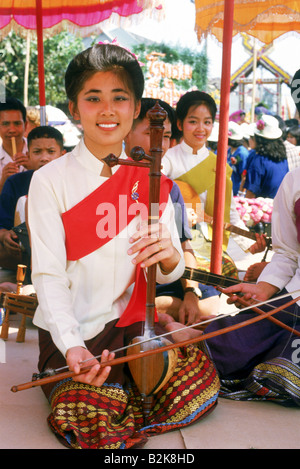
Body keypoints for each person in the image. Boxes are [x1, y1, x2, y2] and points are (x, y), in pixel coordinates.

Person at [27, 44, 220, 449]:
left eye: (119, 98)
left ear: (135, 109)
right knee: (89, 409)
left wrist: (169, 254)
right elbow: (47, 276)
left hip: (130, 326)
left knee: (195, 381)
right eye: (93, 98)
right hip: (73, 332)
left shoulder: (150, 177)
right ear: (75, 109)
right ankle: (83, 382)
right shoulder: (49, 181)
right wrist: (73, 346)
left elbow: (168, 273)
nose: (108, 110)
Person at [125, 97, 220, 324]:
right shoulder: (113, 179)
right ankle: (162, 310)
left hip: (168, 276)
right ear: (126, 131)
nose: (161, 144)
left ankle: (168, 309)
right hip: (130, 284)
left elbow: (184, 245)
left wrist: (191, 294)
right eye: (151, 133)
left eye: (166, 136)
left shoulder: (170, 188)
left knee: (210, 304)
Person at [162, 90, 265, 259]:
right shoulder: (168, 159)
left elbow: (229, 211)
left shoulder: (218, 165)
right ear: (179, 124)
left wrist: (248, 243)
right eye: (193, 121)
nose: (201, 129)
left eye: (207, 122)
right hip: (175, 243)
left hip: (210, 245)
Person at [0, 126, 64, 271]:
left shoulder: (72, 183)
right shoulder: (15, 183)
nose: (44, 158)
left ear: (62, 155)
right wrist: (5, 235)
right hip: (22, 261)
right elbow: (2, 224)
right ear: (28, 155)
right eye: (37, 152)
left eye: (51, 152)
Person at [244, 115, 288, 199]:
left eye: (252, 137)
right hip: (281, 206)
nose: (250, 139)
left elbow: (251, 194)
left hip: (263, 208)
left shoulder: (258, 160)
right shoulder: (283, 158)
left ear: (259, 139)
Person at [0, 97, 30, 193]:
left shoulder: (38, 150)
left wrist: (34, 167)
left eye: (17, 123)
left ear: (25, 125)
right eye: (5, 124)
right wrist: (3, 182)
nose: (12, 130)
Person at [227, 121, 249, 195]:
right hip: (230, 191)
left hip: (237, 192)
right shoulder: (229, 151)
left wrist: (240, 193)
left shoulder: (242, 153)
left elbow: (244, 176)